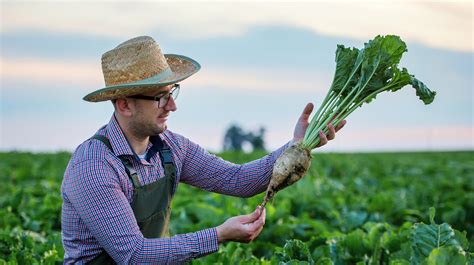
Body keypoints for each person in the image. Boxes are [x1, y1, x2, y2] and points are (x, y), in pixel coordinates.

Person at [61, 36, 345, 264]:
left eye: (172, 93)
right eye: (160, 97)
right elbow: (134, 255)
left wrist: (298, 145)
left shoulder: (171, 147)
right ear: (124, 104)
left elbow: (238, 180)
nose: (172, 106)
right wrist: (218, 235)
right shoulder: (94, 165)